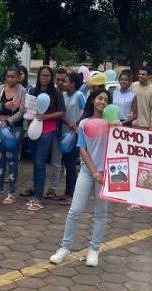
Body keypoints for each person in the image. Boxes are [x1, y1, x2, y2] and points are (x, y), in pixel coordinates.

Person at [49, 89, 112, 267]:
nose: (102, 102)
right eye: (100, 98)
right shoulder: (84, 123)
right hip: (87, 171)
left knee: (101, 214)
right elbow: (82, 149)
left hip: (106, 174)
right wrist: (94, 172)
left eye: (106, 100)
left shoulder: (113, 123)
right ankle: (65, 247)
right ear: (93, 100)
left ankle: (94, 249)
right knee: (74, 210)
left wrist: (104, 172)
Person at [27, 66, 65, 211]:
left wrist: (46, 117)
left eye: (48, 75)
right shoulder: (32, 91)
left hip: (48, 129)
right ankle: (36, 192)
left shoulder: (56, 92)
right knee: (35, 162)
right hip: (33, 128)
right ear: (38, 77)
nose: (45, 78)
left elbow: (62, 112)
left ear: (51, 77)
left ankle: (38, 197)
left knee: (40, 161)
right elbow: (29, 110)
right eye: (42, 75)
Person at [0, 66, 25, 204]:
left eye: (13, 76)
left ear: (18, 77)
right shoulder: (0, 89)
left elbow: (22, 111)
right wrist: (4, 107)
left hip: (15, 128)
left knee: (12, 160)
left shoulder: (22, 91)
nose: (10, 79)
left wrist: (8, 121)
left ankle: (12, 192)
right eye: (8, 76)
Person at [57, 72, 86, 205]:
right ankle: (67, 192)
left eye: (66, 81)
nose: (63, 83)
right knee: (65, 162)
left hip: (74, 134)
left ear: (73, 84)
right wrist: (68, 123)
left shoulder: (79, 95)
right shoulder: (62, 95)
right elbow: (61, 113)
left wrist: (76, 124)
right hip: (64, 132)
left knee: (71, 164)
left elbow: (85, 111)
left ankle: (72, 194)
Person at [47, 68, 69, 200]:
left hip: (64, 132)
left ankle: (53, 187)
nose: (60, 82)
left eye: (63, 80)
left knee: (56, 160)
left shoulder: (71, 94)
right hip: (50, 128)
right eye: (58, 79)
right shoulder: (52, 92)